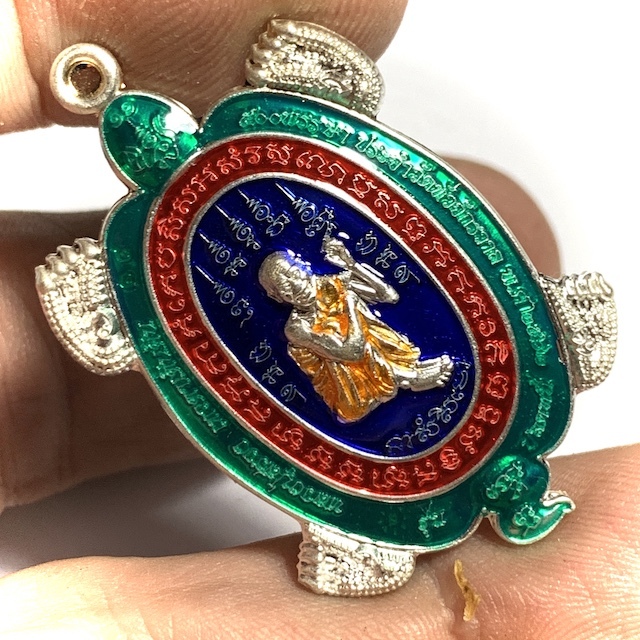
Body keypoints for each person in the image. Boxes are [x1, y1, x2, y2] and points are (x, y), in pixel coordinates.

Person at [0, 1, 637, 637]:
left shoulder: (304, 228)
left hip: (396, 370)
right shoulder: (265, 307)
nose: (301, 281)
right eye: (289, 282)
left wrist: (346, 266)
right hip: (364, 388)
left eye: (299, 273)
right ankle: (360, 529)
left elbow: (387, 294)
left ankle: (382, 496)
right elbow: (337, 349)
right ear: (278, 293)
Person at [259, 238, 453, 421]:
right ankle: (407, 378)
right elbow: (352, 353)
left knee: (348, 306)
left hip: (370, 360)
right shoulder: (296, 328)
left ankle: (405, 368)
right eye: (285, 286)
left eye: (294, 274)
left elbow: (388, 296)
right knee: (340, 328)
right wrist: (350, 305)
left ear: (304, 267)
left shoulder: (327, 286)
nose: (297, 286)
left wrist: (351, 264)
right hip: (351, 391)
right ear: (278, 297)